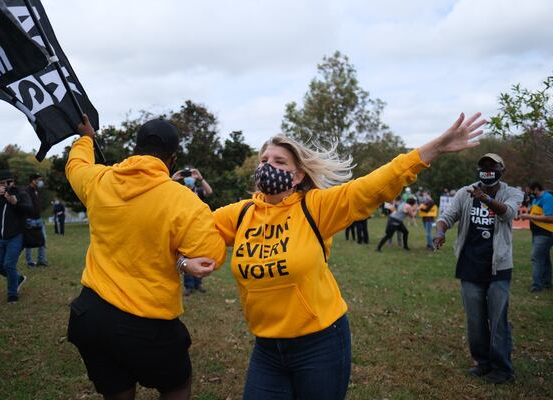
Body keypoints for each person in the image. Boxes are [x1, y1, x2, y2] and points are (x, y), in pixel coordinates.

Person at [204, 112, 485, 399]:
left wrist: (435, 147)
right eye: (264, 161)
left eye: (279, 161)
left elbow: (374, 185)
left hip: (319, 344)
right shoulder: (238, 214)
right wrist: (187, 260)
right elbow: (191, 229)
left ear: (298, 174)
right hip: (266, 347)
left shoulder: (315, 207)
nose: (268, 166)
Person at [66, 116, 226, 400]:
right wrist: (181, 259)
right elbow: (210, 255)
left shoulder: (99, 180)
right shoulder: (185, 201)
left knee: (117, 390)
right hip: (148, 323)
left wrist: (86, 138)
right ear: (173, 160)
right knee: (177, 385)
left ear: (136, 148)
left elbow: (76, 165)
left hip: (91, 315)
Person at [434, 153, 523, 385]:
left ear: (501, 169)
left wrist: (484, 198)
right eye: (483, 166)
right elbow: (448, 215)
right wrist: (441, 231)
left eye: (491, 166)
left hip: (499, 266)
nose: (486, 170)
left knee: (497, 319)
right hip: (470, 264)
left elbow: (508, 213)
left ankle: (502, 368)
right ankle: (482, 363)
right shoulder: (466, 192)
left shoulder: (513, 192)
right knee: (475, 320)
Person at [0, 170, 32, 303]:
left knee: (9, 264)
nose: (4, 186)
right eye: (1, 183)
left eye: (6, 183)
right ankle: (18, 278)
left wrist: (15, 203)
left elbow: (30, 210)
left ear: (12, 182)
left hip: (16, 236)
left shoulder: (21, 194)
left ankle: (12, 294)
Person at [172, 167, 213, 295]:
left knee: (199, 255)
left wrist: (200, 178)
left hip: (199, 228)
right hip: (184, 229)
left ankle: (198, 283)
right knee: (187, 257)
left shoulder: (198, 191)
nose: (189, 178)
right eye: (187, 175)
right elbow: (165, 193)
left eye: (191, 175)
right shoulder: (180, 192)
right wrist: (173, 179)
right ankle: (189, 286)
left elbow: (209, 192)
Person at [520, 182, 553, 292]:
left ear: (536, 189)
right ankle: (546, 283)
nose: (529, 194)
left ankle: (536, 286)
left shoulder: (547, 198)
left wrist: (528, 216)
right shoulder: (535, 199)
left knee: (536, 258)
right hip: (538, 233)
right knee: (544, 259)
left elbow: (550, 218)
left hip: (546, 233)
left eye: (530, 191)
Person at [24, 173, 49, 267]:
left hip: (39, 219)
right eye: (38, 180)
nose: (40, 182)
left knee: (43, 239)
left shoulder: (36, 191)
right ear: (33, 180)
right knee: (29, 242)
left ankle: (41, 260)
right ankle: (29, 262)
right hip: (30, 219)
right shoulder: (26, 191)